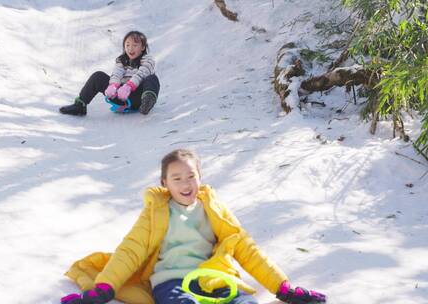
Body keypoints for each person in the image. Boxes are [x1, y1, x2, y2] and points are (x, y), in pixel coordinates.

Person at [61, 149, 326, 304]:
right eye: (177, 178)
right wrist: (104, 287)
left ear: (200, 178)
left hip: (213, 277)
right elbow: (130, 250)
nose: (186, 184)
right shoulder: (156, 212)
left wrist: (283, 287)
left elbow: (245, 247)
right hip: (171, 281)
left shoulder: (213, 208)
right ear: (165, 182)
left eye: (191, 177)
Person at [60, 30, 160, 116]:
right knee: (98, 76)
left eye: (135, 45)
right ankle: (80, 105)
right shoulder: (121, 60)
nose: (130, 48)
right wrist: (113, 86)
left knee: (152, 78)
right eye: (127, 45)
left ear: (142, 47)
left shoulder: (148, 60)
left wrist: (129, 86)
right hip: (120, 96)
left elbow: (142, 73)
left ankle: (147, 102)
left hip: (137, 97)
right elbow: (117, 73)